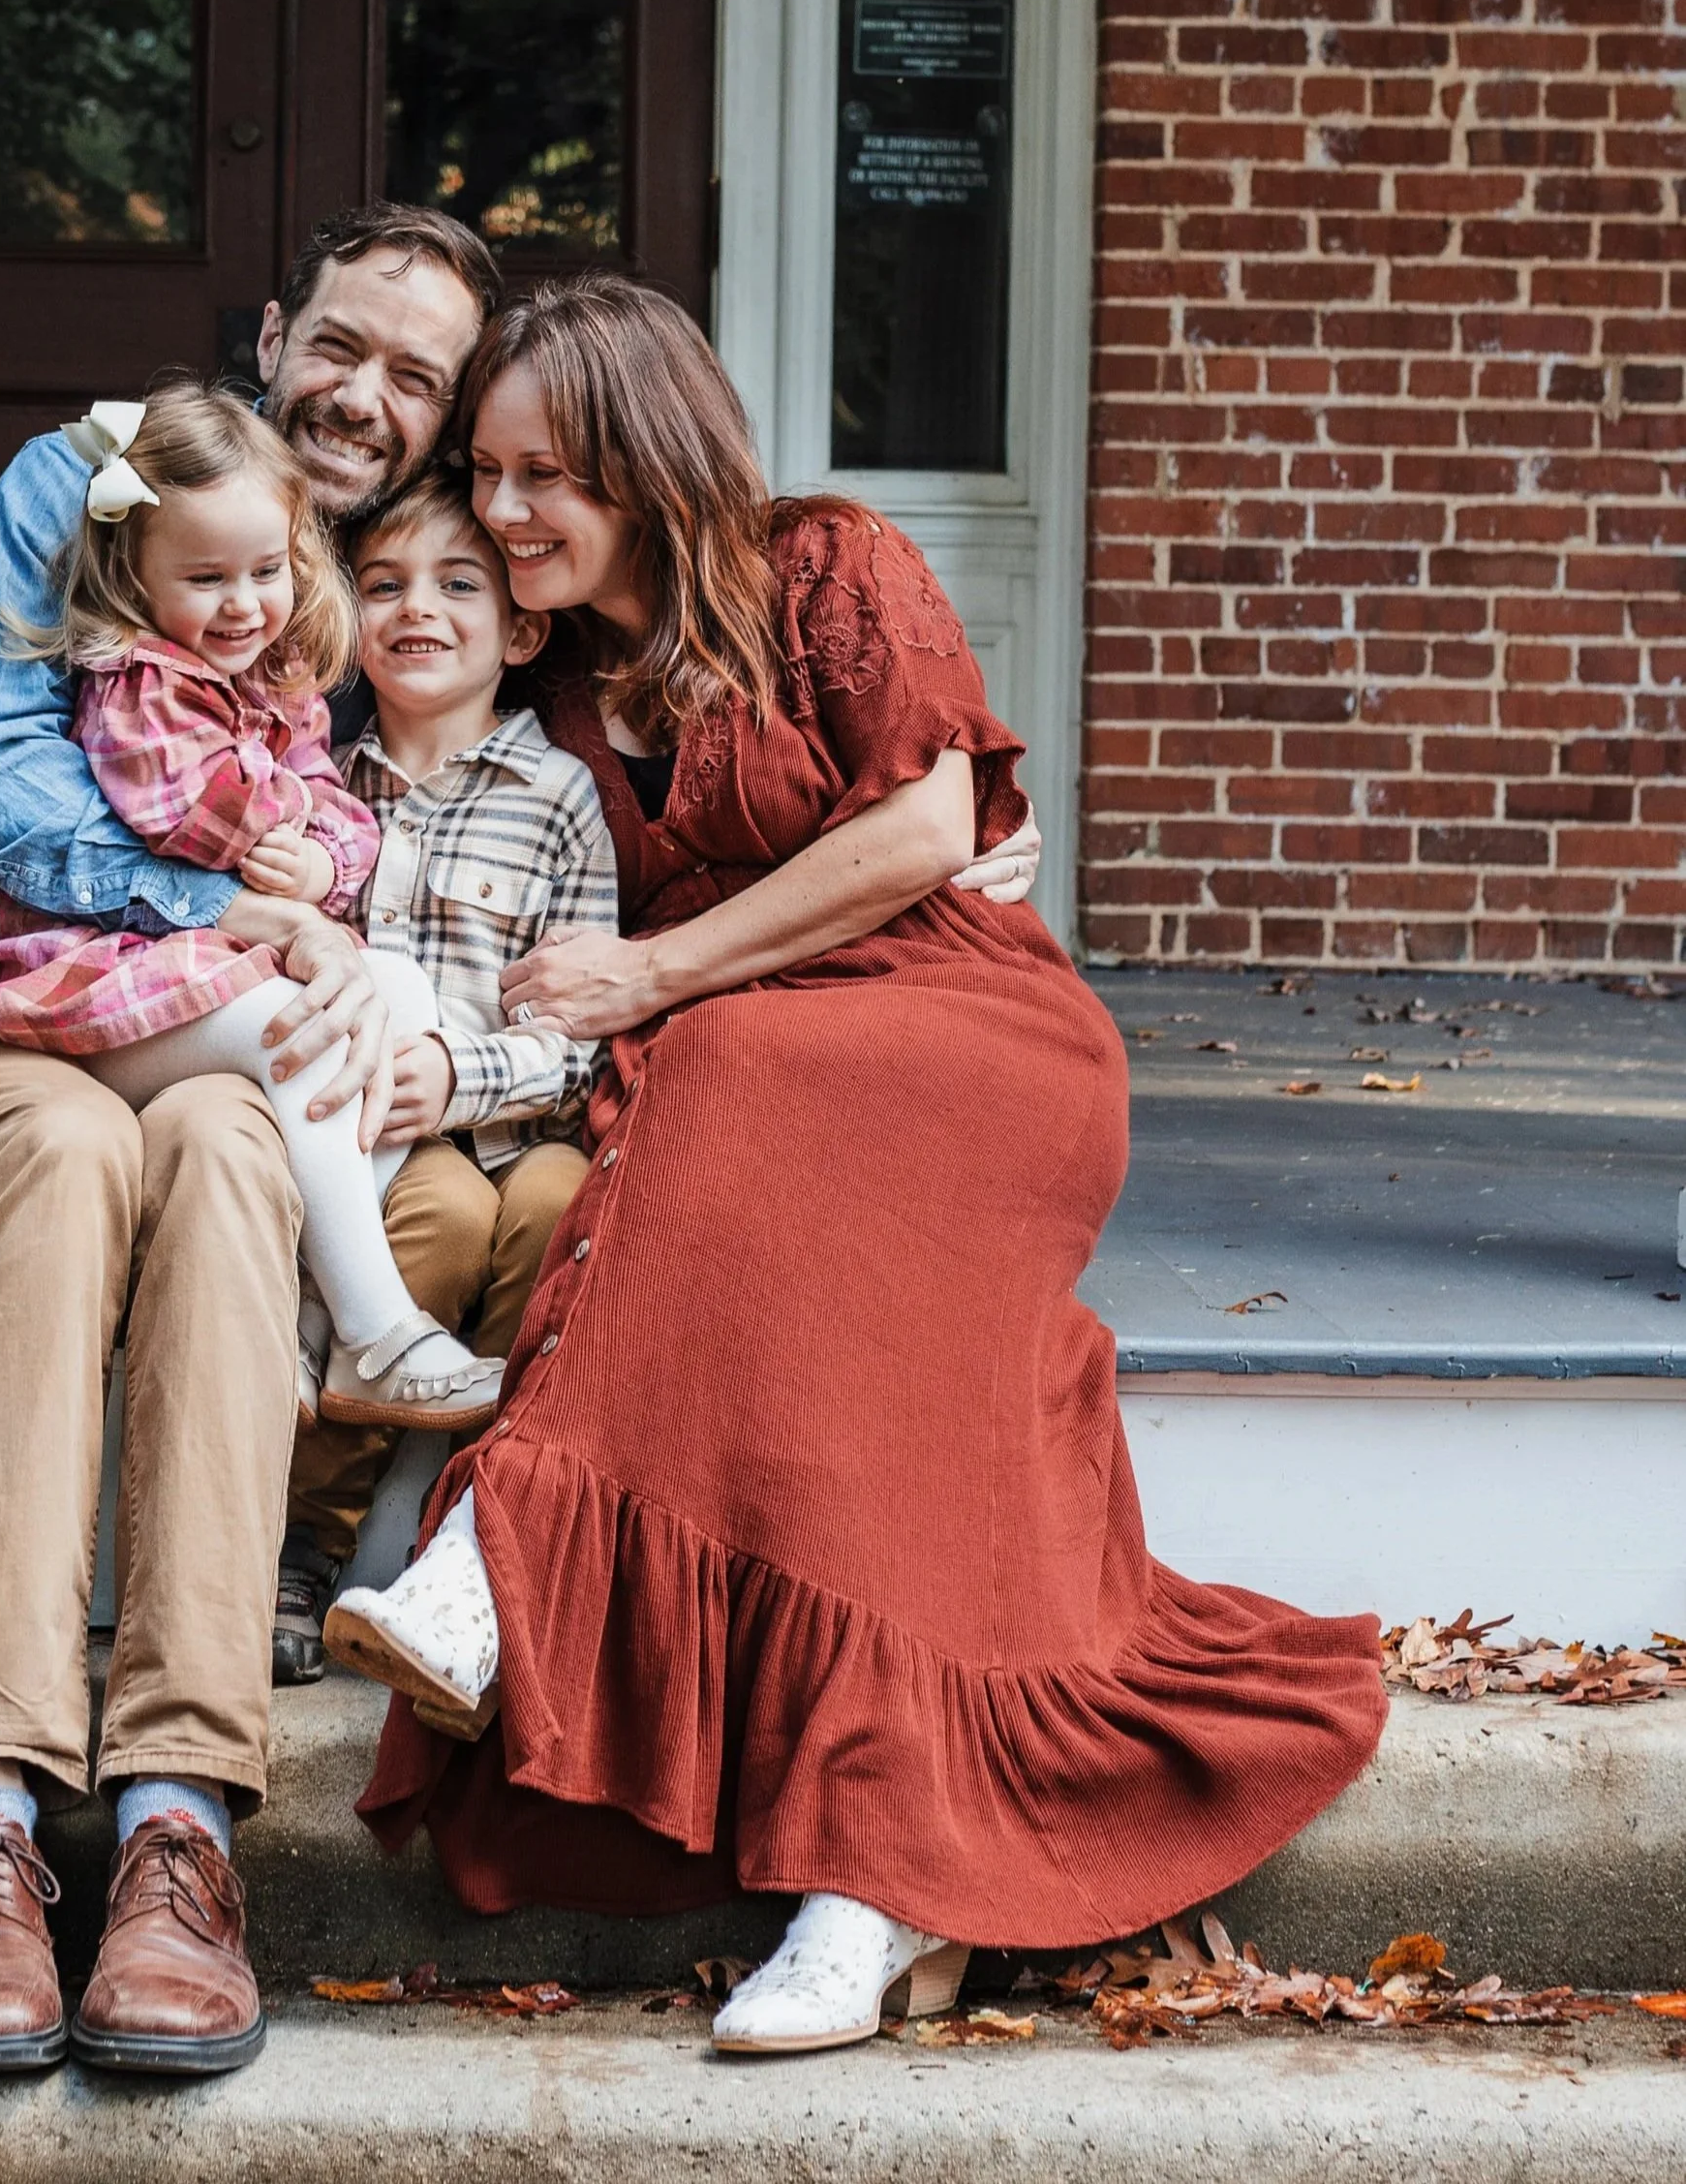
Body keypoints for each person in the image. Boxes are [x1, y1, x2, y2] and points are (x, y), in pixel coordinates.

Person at [330, 275, 1388, 2056]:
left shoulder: (821, 566)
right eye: (490, 473)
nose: (506, 515)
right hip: (755, 1073)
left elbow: (921, 825)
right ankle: (870, 1880)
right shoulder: (557, 667)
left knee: (711, 1059)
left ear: (647, 460)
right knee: (759, 1208)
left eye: (548, 477)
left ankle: (503, 1566)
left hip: (970, 1039)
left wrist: (662, 969)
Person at [0, 203, 506, 2081]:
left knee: (231, 1156)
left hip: (231, 1062)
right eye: (342, 343)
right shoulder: (95, 482)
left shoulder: (404, 575)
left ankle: (173, 1826)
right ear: (275, 323)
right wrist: (227, 908)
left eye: (413, 375)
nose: (361, 394)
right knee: (67, 1162)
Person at [0, 383, 501, 1421]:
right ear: (135, 577)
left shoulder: (265, 678)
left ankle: (309, 1316)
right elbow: (195, 809)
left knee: (400, 993)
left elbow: (335, 814)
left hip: (194, 969)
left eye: (267, 570)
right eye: (206, 578)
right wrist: (297, 830)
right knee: (308, 1029)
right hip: (83, 985)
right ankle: (376, 1326)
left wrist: (327, 865)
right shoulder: (136, 679)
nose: (243, 603)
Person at [285, 471, 619, 1604]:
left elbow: (579, 1026)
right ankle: (306, 1536)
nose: (414, 607)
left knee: (553, 1209)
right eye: (382, 585)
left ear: (521, 628)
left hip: (527, 1120)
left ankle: (483, 1543)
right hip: (384, 1139)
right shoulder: (321, 791)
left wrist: (456, 1072)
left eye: (456, 584)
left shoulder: (559, 795)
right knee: (431, 1215)